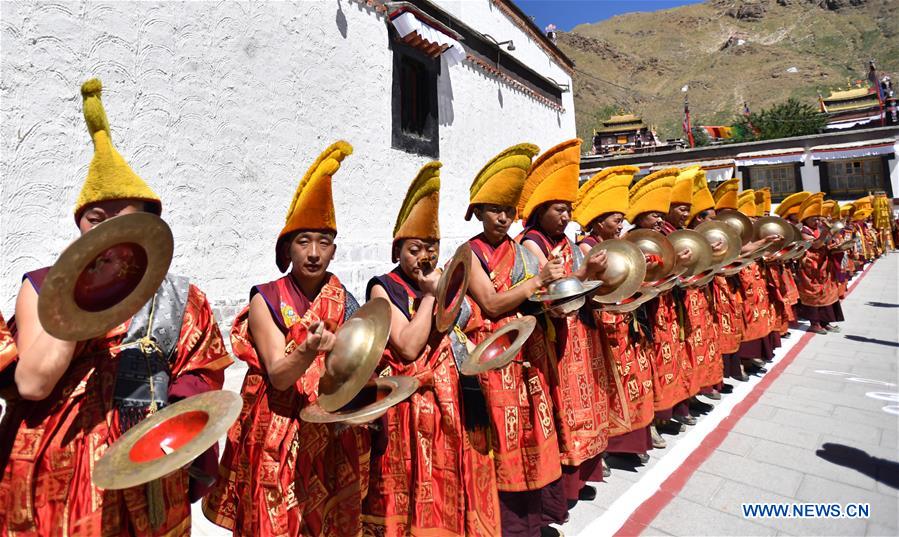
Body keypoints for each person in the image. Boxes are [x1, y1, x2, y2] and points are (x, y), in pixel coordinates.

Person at [0, 79, 231, 536]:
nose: (106, 233)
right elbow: (33, 382)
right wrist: (80, 293)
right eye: (96, 221)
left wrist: (173, 418)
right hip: (61, 476)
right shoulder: (43, 286)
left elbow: (202, 373)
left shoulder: (181, 296)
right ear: (80, 228)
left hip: (149, 468)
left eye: (123, 221)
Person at [204, 141, 370, 536]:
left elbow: (359, 363)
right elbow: (279, 374)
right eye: (303, 241)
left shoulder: (344, 299)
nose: (313, 253)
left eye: (323, 242)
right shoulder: (267, 299)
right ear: (287, 249)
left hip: (329, 429)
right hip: (277, 429)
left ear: (334, 251)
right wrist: (309, 349)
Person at [362, 162, 500, 536]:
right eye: (414, 249)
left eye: (432, 248)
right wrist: (429, 295)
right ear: (397, 250)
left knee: (452, 478)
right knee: (411, 485)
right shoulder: (383, 288)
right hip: (408, 406)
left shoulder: (448, 280)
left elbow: (471, 322)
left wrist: (445, 289)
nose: (424, 257)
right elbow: (407, 346)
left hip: (453, 399)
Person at [463, 143, 567, 537]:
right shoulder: (468, 254)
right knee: (503, 441)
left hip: (528, 354)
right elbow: (490, 304)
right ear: (478, 212)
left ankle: (535, 520)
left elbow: (541, 297)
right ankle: (507, 527)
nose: (503, 218)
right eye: (494, 209)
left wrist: (555, 298)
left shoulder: (521, 251)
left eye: (508, 210)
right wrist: (538, 281)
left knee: (532, 434)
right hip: (493, 356)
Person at [516, 139, 609, 515]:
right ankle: (565, 484)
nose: (567, 215)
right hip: (552, 337)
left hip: (579, 333)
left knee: (585, 402)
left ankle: (584, 475)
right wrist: (585, 272)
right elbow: (549, 292)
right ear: (540, 211)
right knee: (563, 406)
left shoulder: (565, 241)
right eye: (559, 209)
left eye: (569, 209)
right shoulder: (532, 243)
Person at [573, 165, 655, 463]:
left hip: (623, 319)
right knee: (610, 382)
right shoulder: (586, 247)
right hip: (601, 321)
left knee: (634, 379)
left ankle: (636, 438)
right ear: (599, 221)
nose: (621, 226)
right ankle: (611, 446)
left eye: (621, 220)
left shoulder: (617, 245)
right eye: (616, 220)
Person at [624, 168, 690, 448]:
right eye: (654, 215)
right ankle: (648, 425)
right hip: (640, 314)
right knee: (646, 370)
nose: (660, 220)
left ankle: (664, 414)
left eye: (661, 215)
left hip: (663, 307)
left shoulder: (661, 238)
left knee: (666, 362)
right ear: (640, 217)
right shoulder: (629, 241)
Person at [795, 193, 844, 335]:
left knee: (826, 293)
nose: (817, 221)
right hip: (811, 269)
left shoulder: (818, 229)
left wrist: (834, 244)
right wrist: (826, 232)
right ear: (806, 218)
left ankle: (825, 322)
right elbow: (816, 245)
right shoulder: (803, 231)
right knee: (814, 294)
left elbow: (824, 244)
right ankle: (815, 324)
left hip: (824, 266)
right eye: (814, 218)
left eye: (818, 218)